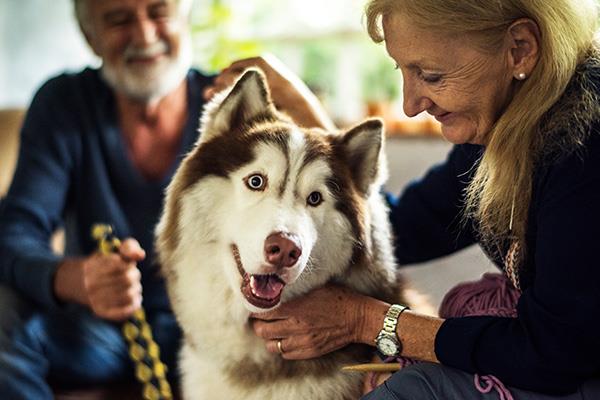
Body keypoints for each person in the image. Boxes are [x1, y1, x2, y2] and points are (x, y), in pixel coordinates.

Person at [206, 0, 600, 398]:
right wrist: (323, 144)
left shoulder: (585, 148)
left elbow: (555, 351)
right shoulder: (503, 129)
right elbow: (401, 228)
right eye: (404, 71)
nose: (411, 105)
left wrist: (369, 321)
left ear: (520, 48)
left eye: (430, 75)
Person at [0, 0, 214, 398]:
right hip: (101, 336)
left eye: (159, 12)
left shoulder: (227, 101)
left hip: (222, 336)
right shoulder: (64, 103)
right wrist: (74, 278)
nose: (145, 35)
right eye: (118, 20)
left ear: (185, 18)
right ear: (90, 36)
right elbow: (14, 232)